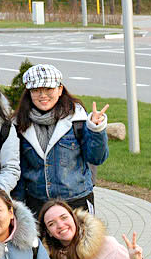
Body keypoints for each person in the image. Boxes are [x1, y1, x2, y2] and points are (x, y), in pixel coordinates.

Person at [14, 64, 109, 213]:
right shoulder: (18, 124)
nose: (42, 95)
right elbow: (19, 170)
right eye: (36, 90)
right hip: (37, 204)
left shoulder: (77, 118)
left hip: (77, 202)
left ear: (60, 90)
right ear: (29, 93)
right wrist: (17, 207)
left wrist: (96, 129)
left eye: (48, 89)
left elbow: (97, 158)